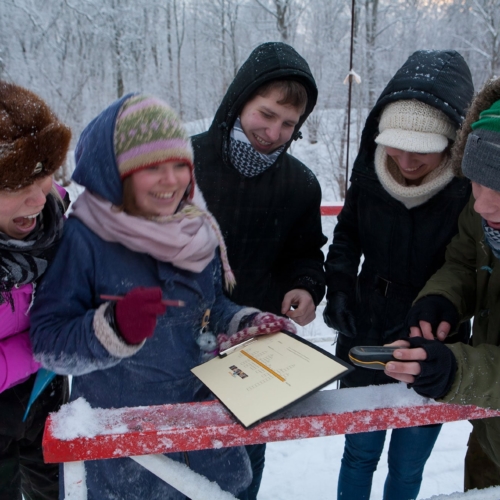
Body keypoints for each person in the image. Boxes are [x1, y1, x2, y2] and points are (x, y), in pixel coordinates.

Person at [29, 94, 296, 500]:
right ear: (116, 173)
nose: (171, 180)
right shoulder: (85, 238)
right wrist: (111, 328)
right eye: (152, 167)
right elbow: (48, 343)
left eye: (179, 166)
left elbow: (208, 309)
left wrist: (244, 321)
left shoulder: (194, 226)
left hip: (204, 444)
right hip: (125, 457)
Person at [323, 50, 474, 500]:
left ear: (451, 144)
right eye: (397, 147)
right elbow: (347, 233)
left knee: (408, 466)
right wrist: (341, 287)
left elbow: (467, 268)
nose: (406, 163)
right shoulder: (369, 170)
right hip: (366, 326)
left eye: (422, 153)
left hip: (434, 335)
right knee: (359, 454)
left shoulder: (469, 190)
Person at [192, 41, 327, 498]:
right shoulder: (183, 165)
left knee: (243, 467)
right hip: (180, 347)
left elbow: (307, 253)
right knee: (177, 462)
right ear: (239, 101)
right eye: (265, 114)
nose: (274, 131)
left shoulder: (300, 184)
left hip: (257, 351)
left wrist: (306, 286)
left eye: (289, 123)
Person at [384, 77, 500, 493]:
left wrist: (458, 371)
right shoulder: (483, 207)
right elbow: (465, 259)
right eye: (476, 181)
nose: (484, 204)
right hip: (490, 437)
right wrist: (441, 299)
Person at [0, 81, 71, 500]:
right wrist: (47, 344)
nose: (35, 199)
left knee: (58, 491)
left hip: (46, 398)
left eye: (43, 174)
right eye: (13, 186)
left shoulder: (56, 210)